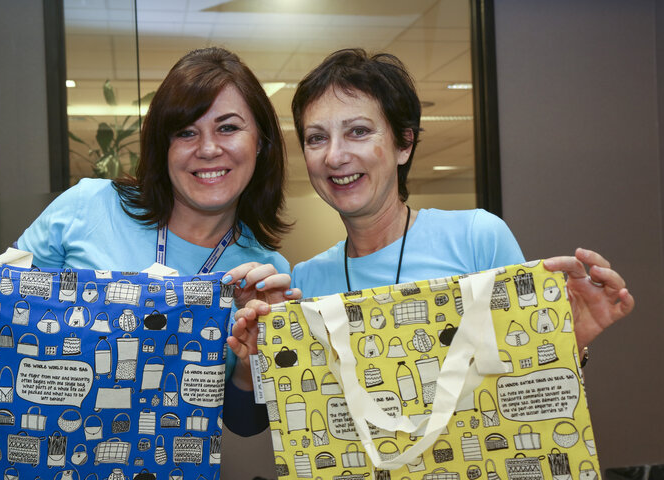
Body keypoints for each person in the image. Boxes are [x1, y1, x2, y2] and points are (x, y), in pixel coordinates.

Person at [0, 47, 302, 435]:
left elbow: (243, 423)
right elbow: (1, 313)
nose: (208, 148)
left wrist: (254, 360)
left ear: (261, 141)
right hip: (43, 463)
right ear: (163, 146)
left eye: (228, 127)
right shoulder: (89, 205)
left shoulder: (265, 276)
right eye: (185, 132)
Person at [228, 48, 633, 375]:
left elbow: (528, 389)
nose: (335, 156)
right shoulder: (306, 281)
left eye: (358, 132)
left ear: (404, 143)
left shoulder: (476, 238)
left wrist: (569, 343)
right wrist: (258, 359)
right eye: (317, 138)